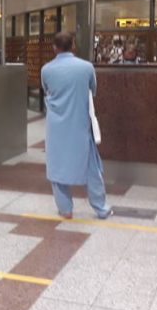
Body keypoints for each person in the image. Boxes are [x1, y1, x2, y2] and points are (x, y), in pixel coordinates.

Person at [41, 31, 112, 220]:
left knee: (57, 167)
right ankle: (101, 208)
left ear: (54, 48)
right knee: (90, 167)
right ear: (73, 45)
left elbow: (46, 90)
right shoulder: (87, 67)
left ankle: (66, 210)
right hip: (79, 124)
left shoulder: (46, 69)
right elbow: (93, 90)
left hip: (55, 127)